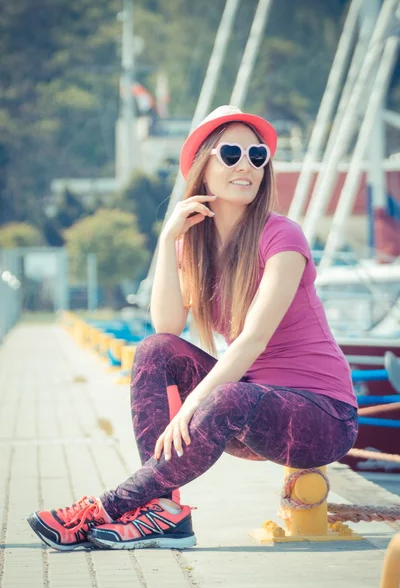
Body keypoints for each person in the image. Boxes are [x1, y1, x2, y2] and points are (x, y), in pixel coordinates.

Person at [27, 105, 358, 551]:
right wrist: (168, 241)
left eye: (257, 156)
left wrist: (190, 406)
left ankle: (107, 507)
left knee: (227, 394)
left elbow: (253, 340)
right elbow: (166, 327)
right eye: (232, 153)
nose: (247, 165)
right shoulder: (195, 247)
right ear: (203, 166)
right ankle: (162, 512)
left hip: (322, 418)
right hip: (246, 411)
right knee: (154, 349)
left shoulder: (284, 237)